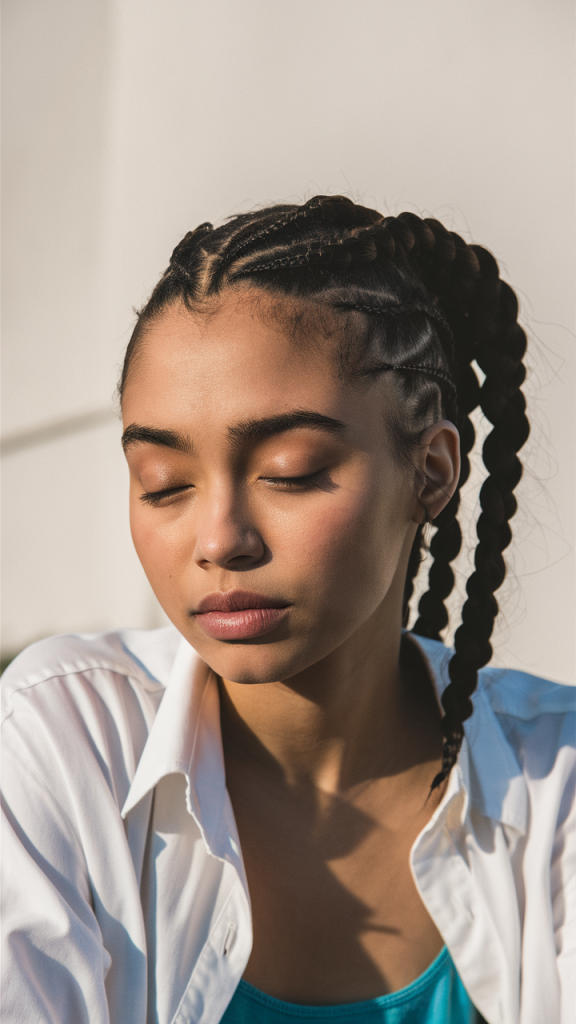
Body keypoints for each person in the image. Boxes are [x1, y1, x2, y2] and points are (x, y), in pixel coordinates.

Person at [2, 196, 574, 1024]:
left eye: (291, 470)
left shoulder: (557, 783)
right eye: (163, 484)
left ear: (432, 472)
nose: (219, 539)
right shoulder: (70, 737)